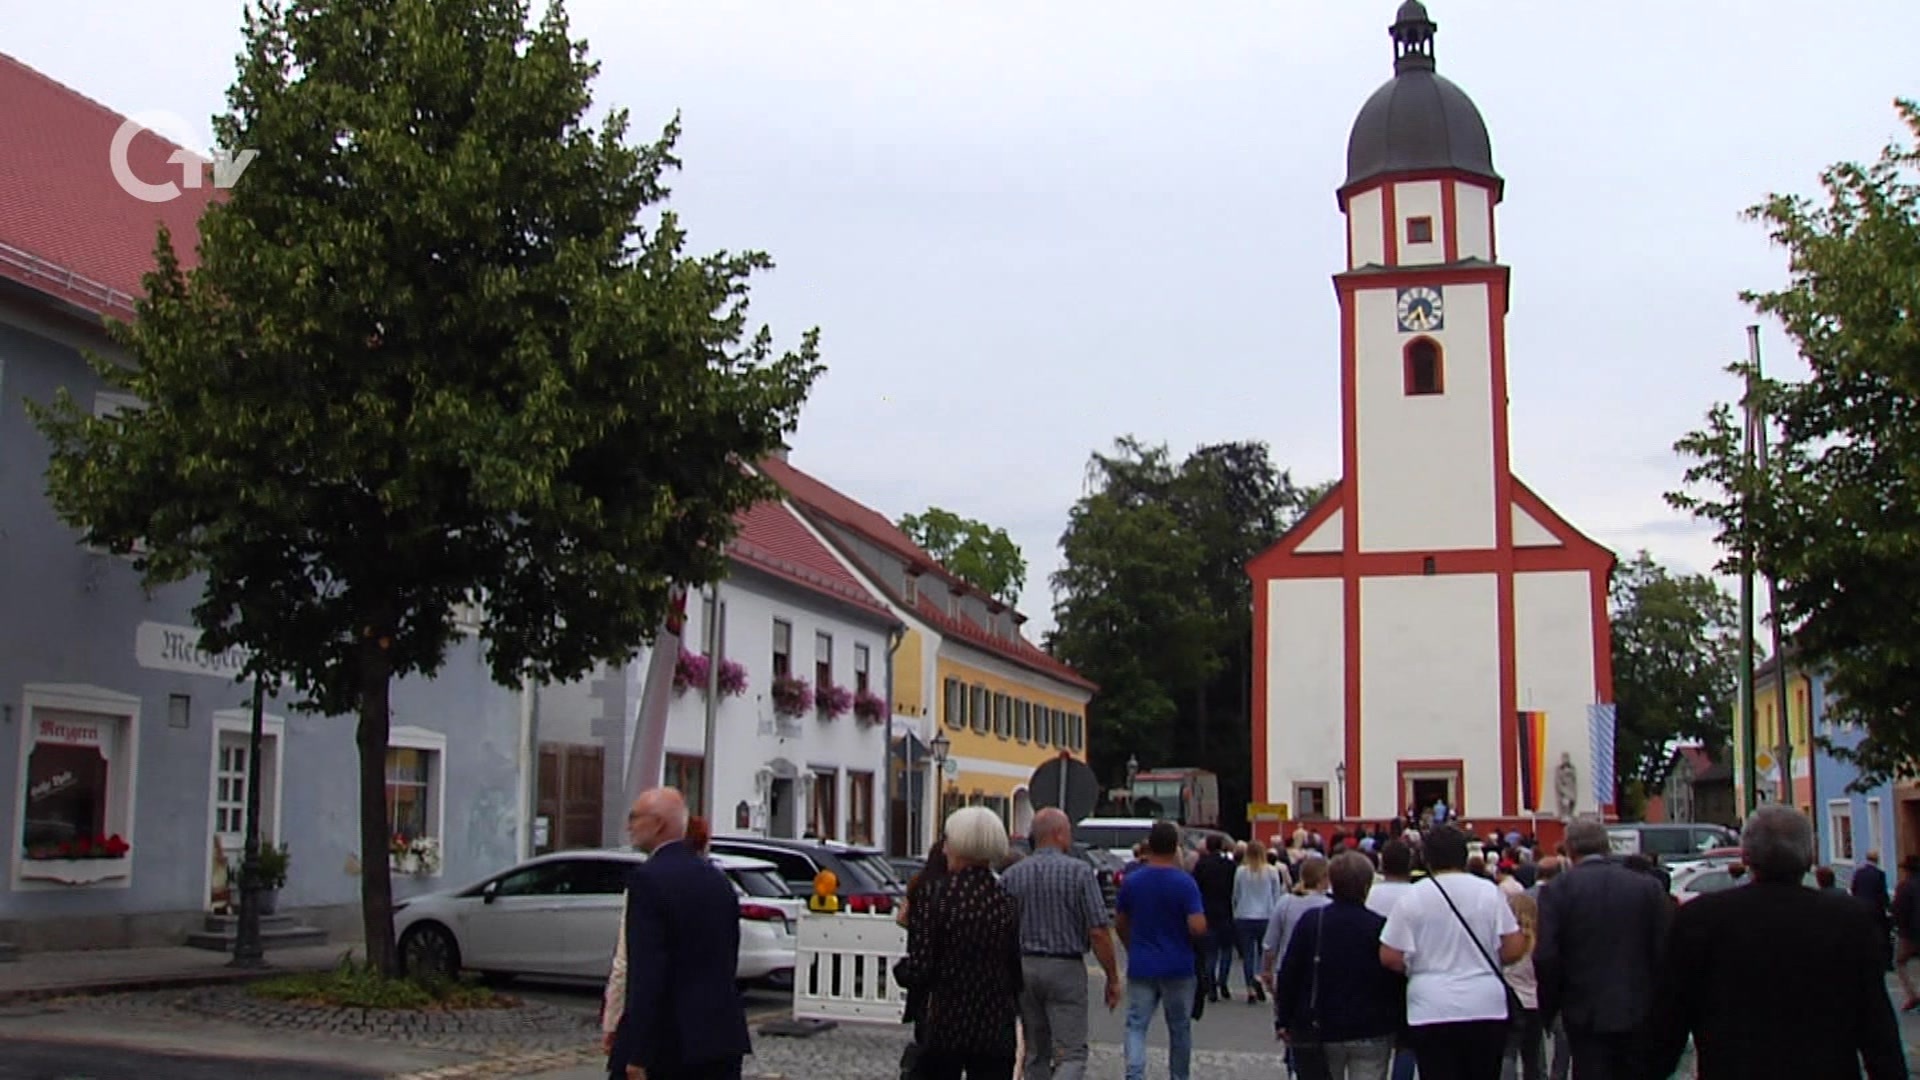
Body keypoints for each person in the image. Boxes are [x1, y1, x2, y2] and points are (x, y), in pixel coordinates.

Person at [1642, 804, 1906, 1078]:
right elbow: (1876, 1023)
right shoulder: (1848, 919)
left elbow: (1670, 1021)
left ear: (1746, 855)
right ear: (1809, 857)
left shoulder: (1703, 918)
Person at [609, 788, 750, 1080]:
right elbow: (727, 957)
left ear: (658, 824)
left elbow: (647, 971)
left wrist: (638, 1051)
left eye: (635, 817)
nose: (629, 826)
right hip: (719, 1036)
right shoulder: (717, 879)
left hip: (669, 1043)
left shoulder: (648, 880)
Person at [1379, 825, 1526, 1080]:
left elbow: (1390, 956)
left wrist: (1416, 966)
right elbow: (1513, 947)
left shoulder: (1414, 896)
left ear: (1425, 858)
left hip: (1431, 1004)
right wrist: (1489, 959)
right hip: (1484, 1003)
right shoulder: (1488, 892)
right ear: (1464, 856)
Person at [1533, 820, 1669, 1080]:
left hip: (1584, 1011)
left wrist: (1550, 1009)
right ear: (1607, 847)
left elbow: (1546, 956)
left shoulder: (1557, 891)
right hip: (1638, 1007)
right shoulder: (1647, 887)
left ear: (1569, 849)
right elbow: (1662, 949)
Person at [997, 808, 1120, 1080]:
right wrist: (1112, 976)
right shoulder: (1080, 873)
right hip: (1065, 967)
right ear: (1059, 834)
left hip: (1024, 966)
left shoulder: (1012, 876)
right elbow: (1098, 930)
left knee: (1035, 1052)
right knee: (1071, 1054)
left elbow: (1001, 930)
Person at [908, 807, 1023, 1079]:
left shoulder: (935, 896)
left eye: (947, 841)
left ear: (960, 846)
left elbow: (920, 967)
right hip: (994, 1024)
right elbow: (1013, 969)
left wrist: (902, 971)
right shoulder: (1006, 902)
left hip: (946, 1021)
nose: (944, 849)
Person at [1273, 852, 1404, 1079]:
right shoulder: (1379, 926)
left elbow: (1290, 973)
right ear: (1367, 886)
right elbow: (1394, 978)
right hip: (1371, 1027)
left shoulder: (1312, 921)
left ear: (1332, 882)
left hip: (1321, 1026)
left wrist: (1284, 1019)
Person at [1115, 820, 1207, 1080]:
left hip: (1142, 962)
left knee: (1136, 1025)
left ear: (1150, 846)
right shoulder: (1185, 883)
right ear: (1175, 847)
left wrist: (1132, 946)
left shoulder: (1133, 882)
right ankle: (1179, 1076)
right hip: (1178, 964)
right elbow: (1197, 926)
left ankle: (1135, 1073)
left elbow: (1120, 922)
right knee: (1179, 1028)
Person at [1232, 843, 1284, 1004]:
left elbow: (1236, 894)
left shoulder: (1241, 871)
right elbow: (1276, 894)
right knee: (1264, 953)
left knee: (1248, 954)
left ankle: (1250, 989)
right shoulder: (1272, 871)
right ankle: (1259, 977)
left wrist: (1236, 910)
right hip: (1266, 915)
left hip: (1244, 914)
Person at [1190, 834, 1239, 1002]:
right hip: (1226, 910)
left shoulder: (1201, 865)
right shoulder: (1229, 865)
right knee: (1226, 950)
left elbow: (1195, 888)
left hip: (1207, 910)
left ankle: (1210, 984)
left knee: (1210, 952)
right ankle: (1223, 981)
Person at [1500, 892, 1543, 1080]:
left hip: (1511, 999)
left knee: (1508, 1052)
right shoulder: (1540, 942)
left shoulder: (1509, 942)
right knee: (1532, 1056)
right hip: (1534, 1002)